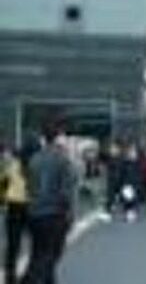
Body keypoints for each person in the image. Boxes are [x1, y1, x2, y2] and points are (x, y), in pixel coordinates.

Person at [21, 120, 78, 284]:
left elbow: (29, 187)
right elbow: (66, 191)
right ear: (58, 138)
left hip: (34, 213)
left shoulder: (34, 159)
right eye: (64, 136)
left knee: (38, 253)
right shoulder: (63, 160)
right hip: (54, 214)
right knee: (50, 256)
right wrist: (70, 215)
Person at [3, 138, 40, 284]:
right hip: (32, 207)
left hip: (14, 206)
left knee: (13, 245)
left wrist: (3, 200)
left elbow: (3, 182)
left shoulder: (13, 164)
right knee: (37, 243)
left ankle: (10, 276)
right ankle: (31, 275)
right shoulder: (37, 165)